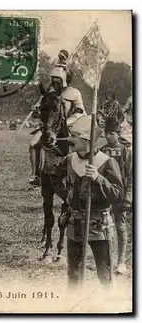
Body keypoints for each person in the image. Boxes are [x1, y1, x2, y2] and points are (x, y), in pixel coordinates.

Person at [55, 115, 123, 290]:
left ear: (86, 140)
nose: (70, 140)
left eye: (74, 136)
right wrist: (68, 197)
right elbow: (54, 179)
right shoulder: (70, 160)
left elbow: (117, 194)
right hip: (75, 222)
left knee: (104, 272)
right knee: (74, 273)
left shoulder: (107, 162)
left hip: (99, 224)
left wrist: (98, 178)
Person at [28, 50, 85, 185]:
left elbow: (80, 111)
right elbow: (45, 112)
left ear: (65, 78)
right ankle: (36, 175)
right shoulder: (50, 93)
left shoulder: (74, 93)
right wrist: (37, 111)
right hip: (50, 127)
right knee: (32, 144)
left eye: (58, 78)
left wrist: (68, 121)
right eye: (53, 78)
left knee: (79, 146)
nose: (55, 81)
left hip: (69, 126)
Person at [100, 116, 132, 275]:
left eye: (111, 133)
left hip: (121, 195)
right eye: (106, 133)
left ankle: (121, 261)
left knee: (120, 227)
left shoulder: (126, 151)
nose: (108, 136)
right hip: (106, 194)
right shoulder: (102, 151)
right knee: (105, 227)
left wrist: (128, 198)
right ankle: (108, 259)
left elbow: (132, 177)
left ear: (118, 134)